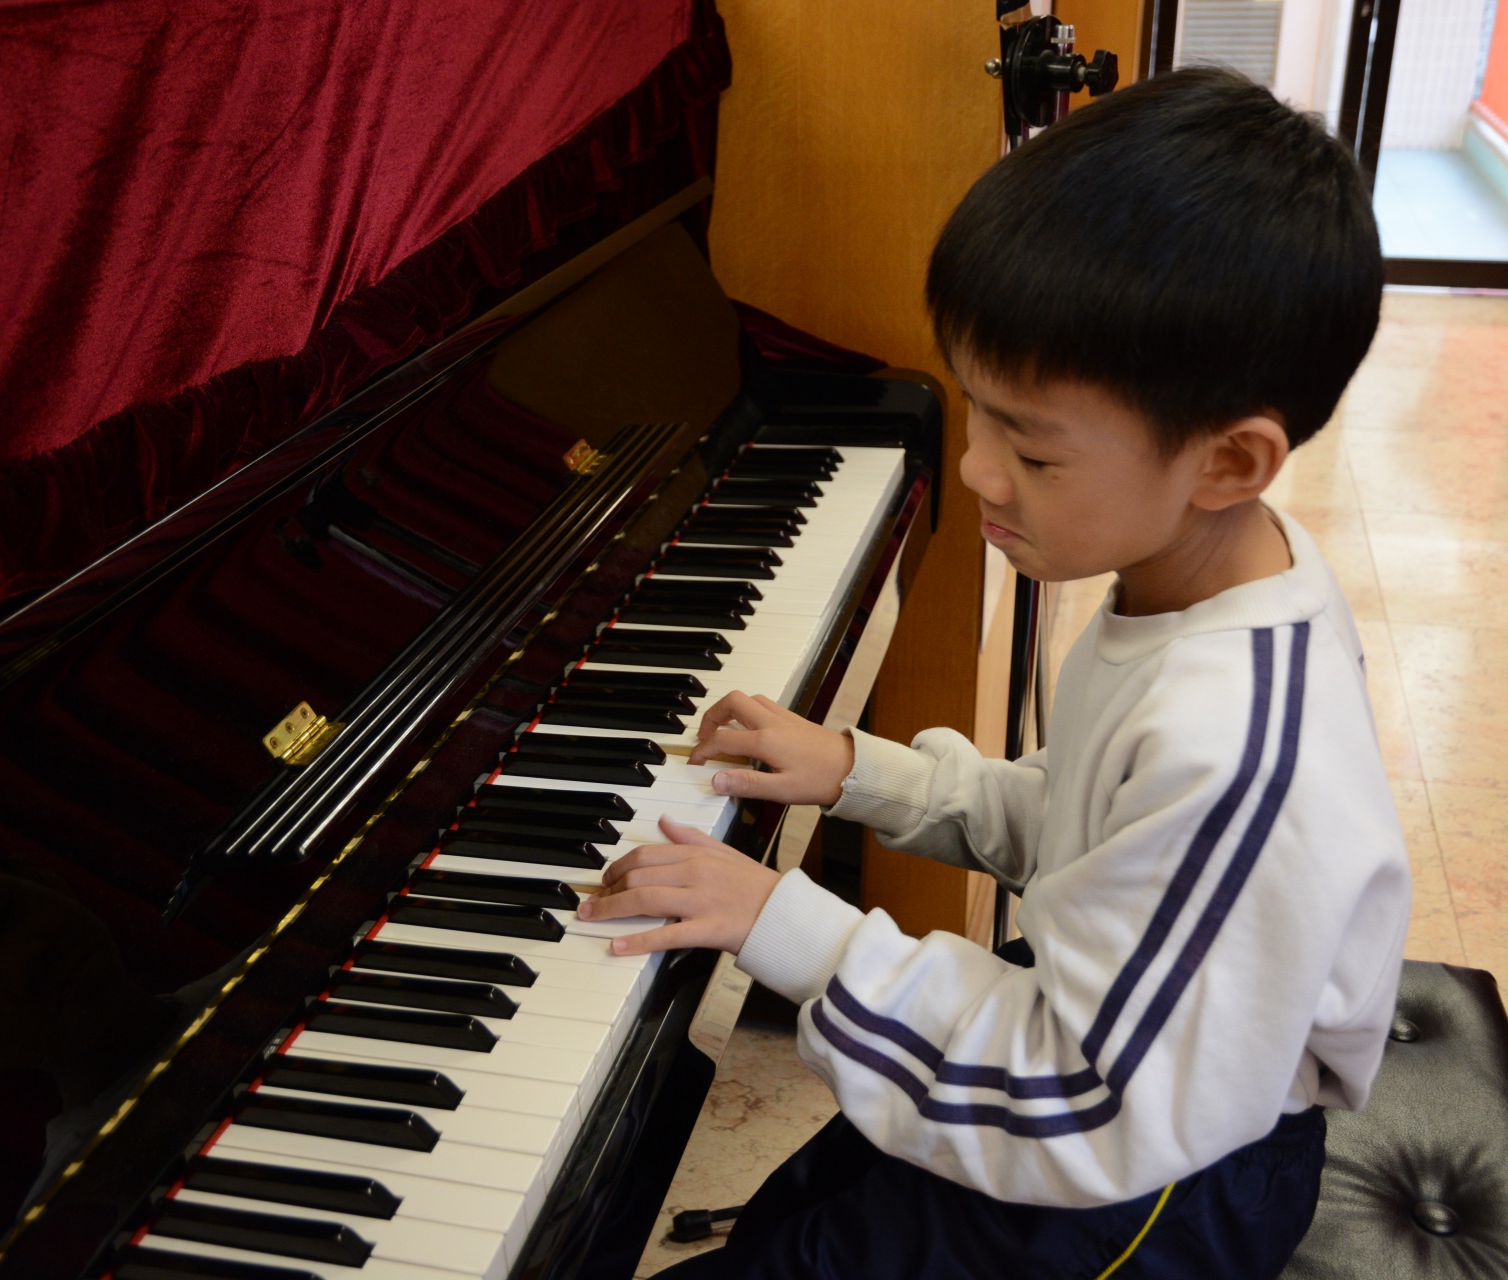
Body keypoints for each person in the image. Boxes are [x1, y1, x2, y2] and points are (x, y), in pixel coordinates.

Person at [578, 66, 1411, 1279]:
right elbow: (1093, 823)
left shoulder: (1235, 743)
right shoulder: (1199, 579)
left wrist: (779, 919)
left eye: (1032, 448)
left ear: (1228, 462)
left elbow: (1085, 1103)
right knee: (791, 1219)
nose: (977, 470)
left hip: (1139, 1173)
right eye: (977, 412)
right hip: (1099, 1048)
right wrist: (862, 770)